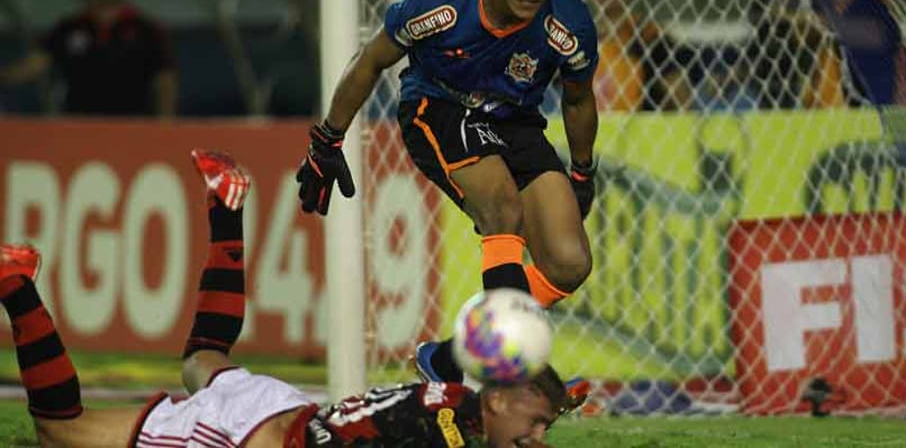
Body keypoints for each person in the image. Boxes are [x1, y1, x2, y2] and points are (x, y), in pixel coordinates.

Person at [0, 150, 573, 447]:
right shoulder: (447, 429)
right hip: (245, 435)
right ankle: (16, 285)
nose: (539, 436)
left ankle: (226, 210)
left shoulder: (459, 405)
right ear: (497, 400)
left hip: (280, 413)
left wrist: (543, 403)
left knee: (202, 362)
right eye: (538, 422)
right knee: (61, 434)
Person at [296, 0, 598, 386]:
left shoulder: (569, 25)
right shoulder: (446, 0)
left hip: (515, 120)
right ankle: (507, 381)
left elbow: (579, 99)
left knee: (569, 262)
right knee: (502, 208)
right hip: (438, 107)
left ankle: (453, 359)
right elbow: (373, 59)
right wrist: (328, 139)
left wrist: (582, 171)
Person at [0, 0, 177, 117]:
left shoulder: (146, 29)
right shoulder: (69, 28)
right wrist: (4, 76)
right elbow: (37, 63)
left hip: (132, 124)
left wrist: (165, 124)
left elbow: (165, 80)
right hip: (79, 125)